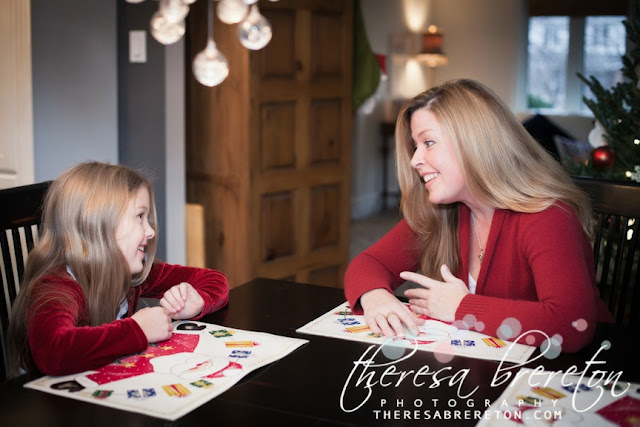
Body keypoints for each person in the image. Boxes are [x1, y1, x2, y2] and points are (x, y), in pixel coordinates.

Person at [344, 79, 613, 353]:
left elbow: (572, 326)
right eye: (416, 146)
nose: (415, 160)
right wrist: (375, 296)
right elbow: (368, 263)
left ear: (475, 143)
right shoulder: (441, 212)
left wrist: (461, 308)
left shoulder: (548, 216)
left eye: (429, 142)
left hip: (584, 368)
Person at [7, 162, 229, 378]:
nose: (150, 231)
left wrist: (198, 300)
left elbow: (214, 279)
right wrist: (138, 330)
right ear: (97, 225)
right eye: (140, 217)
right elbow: (55, 351)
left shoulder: (133, 274)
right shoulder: (56, 288)